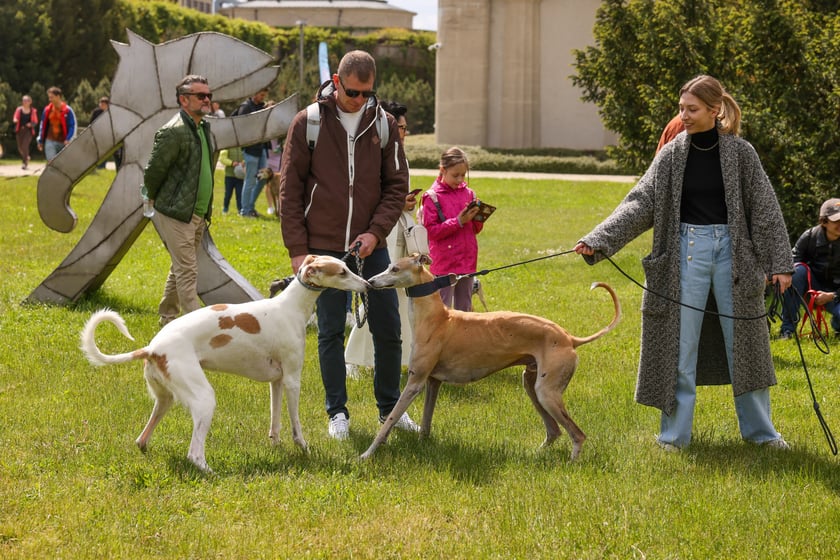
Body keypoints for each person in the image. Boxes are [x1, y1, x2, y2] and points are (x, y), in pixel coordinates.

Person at [574, 75, 793, 451]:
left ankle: (762, 435)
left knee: (746, 345)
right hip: (683, 255)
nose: (684, 116)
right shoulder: (672, 154)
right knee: (678, 347)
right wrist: (599, 239)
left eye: (692, 109)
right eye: (681, 108)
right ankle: (674, 438)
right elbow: (640, 203)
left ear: (714, 110)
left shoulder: (741, 153)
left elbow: (765, 210)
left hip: (735, 257)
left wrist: (780, 263)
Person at [279, 50, 420, 440]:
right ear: (337, 83)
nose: (360, 100)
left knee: (389, 325)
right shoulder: (307, 122)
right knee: (328, 331)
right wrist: (297, 251)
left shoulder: (385, 124)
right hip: (321, 249)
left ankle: (390, 410)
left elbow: (396, 188)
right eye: (354, 92)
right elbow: (289, 192)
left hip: (371, 247)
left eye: (367, 93)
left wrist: (375, 233)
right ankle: (336, 413)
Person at [345, 100, 417, 375]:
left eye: (404, 128)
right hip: (379, 236)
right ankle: (353, 358)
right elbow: (376, 198)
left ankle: (390, 361)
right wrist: (398, 204)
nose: (403, 132)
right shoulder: (374, 154)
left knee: (396, 303)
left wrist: (406, 203)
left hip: (400, 234)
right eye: (400, 127)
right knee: (374, 296)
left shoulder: (401, 155)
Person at [142, 74, 216, 326]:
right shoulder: (173, 131)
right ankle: (198, 329)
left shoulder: (203, 127)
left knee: (179, 268)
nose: (207, 100)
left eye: (209, 95)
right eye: (201, 96)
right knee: (187, 271)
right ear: (184, 100)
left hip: (196, 213)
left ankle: (167, 319)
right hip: (176, 213)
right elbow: (153, 171)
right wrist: (149, 198)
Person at [420, 146, 484, 311]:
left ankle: (465, 337)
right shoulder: (432, 197)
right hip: (444, 264)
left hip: (467, 260)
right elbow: (431, 232)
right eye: (455, 175)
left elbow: (474, 230)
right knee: (443, 311)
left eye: (463, 175)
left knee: (465, 310)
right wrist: (458, 222)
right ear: (442, 170)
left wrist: (478, 217)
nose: (460, 180)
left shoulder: (469, 194)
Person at [779, 198, 840, 339]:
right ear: (824, 221)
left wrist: (832, 296)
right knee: (796, 269)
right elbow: (791, 263)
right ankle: (787, 329)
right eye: (836, 220)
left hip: (836, 294)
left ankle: (838, 326)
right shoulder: (809, 236)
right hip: (811, 288)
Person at [235, 88, 269, 217]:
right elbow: (241, 126)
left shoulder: (261, 106)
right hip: (250, 149)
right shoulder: (245, 107)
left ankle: (250, 206)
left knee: (263, 178)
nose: (263, 97)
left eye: (264, 95)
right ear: (254, 93)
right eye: (261, 95)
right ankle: (245, 211)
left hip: (262, 147)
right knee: (250, 180)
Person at [37, 86, 76, 161]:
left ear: (58, 96)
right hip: (50, 140)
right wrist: (40, 140)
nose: (50, 99)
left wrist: (68, 139)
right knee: (52, 162)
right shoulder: (47, 110)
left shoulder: (68, 110)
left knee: (63, 164)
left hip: (64, 142)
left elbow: (72, 126)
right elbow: (42, 126)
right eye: (49, 97)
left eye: (52, 97)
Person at [13, 95, 38, 170]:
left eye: (26, 100)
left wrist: (31, 124)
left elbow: (35, 121)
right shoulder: (19, 109)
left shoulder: (33, 111)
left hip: (28, 131)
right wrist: (15, 120)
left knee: (25, 146)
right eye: (23, 100)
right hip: (19, 130)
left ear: (30, 102)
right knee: (20, 147)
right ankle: (27, 157)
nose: (24, 102)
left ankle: (25, 163)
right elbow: (15, 117)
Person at [218, 145, 245, 215]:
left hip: (240, 176)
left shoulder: (242, 146)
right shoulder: (228, 146)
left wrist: (243, 162)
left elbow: (246, 156)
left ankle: (240, 209)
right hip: (229, 176)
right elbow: (222, 158)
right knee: (228, 194)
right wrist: (232, 163)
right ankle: (225, 208)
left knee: (239, 194)